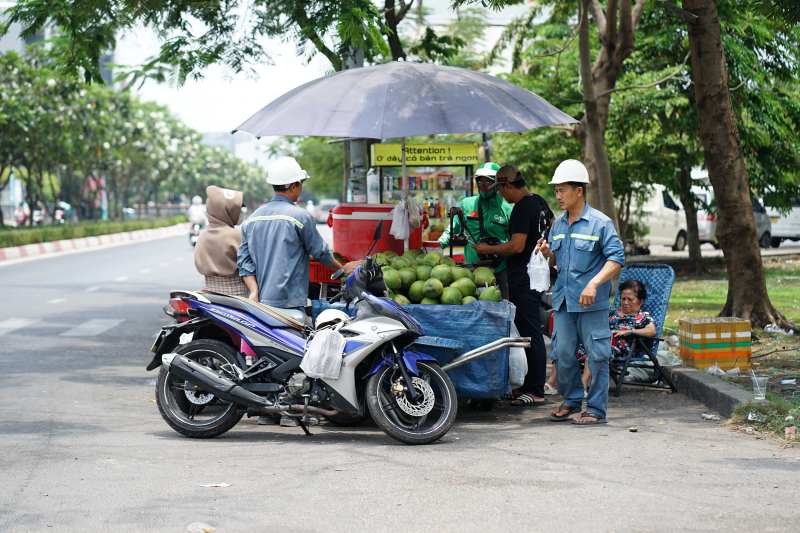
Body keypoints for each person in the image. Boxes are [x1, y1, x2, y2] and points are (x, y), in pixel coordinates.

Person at [537, 159, 624, 425]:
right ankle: (572, 400)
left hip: (591, 303)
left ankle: (596, 410)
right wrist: (548, 253)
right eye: (556, 190)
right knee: (562, 354)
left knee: (597, 355)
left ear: (579, 191)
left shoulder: (600, 223)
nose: (558, 195)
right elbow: (557, 262)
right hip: (563, 301)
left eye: (563, 189)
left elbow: (616, 258)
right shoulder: (558, 225)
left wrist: (594, 283)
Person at [237, 156, 358, 322]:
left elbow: (244, 263)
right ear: (294, 186)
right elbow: (320, 252)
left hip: (260, 304)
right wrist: (342, 270)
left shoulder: (251, 220)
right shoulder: (300, 217)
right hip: (290, 303)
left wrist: (254, 291)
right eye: (301, 183)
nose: (301, 188)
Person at [474, 164, 554, 407]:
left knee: (530, 331)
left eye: (501, 189)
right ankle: (529, 384)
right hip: (537, 274)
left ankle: (536, 389)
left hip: (524, 276)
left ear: (508, 186)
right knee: (529, 328)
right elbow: (549, 225)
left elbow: (517, 246)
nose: (500, 195)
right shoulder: (539, 202)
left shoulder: (521, 208)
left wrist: (489, 249)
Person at [438, 162, 514, 298]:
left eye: (488, 180)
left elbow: (514, 242)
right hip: (472, 270)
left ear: (497, 184)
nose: (483, 184)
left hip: (500, 270)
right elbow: (454, 227)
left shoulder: (507, 208)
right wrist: (438, 244)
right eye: (480, 180)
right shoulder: (467, 203)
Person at [194, 186, 248, 298]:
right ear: (226, 211)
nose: (239, 213)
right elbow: (249, 267)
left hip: (209, 294)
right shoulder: (236, 235)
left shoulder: (202, 235)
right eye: (236, 209)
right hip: (237, 295)